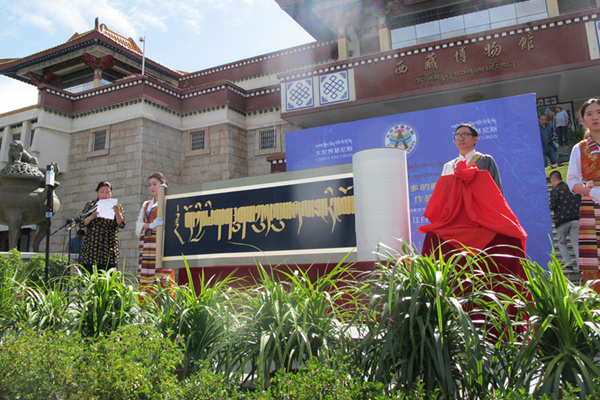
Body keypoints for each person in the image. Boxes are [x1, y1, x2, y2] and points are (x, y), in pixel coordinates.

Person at [567, 98, 600, 287]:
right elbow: (572, 181)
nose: (595, 117)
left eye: (599, 112)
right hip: (592, 204)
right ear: (583, 120)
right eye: (589, 114)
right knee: (593, 258)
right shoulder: (579, 148)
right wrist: (593, 192)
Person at [135, 172, 174, 295]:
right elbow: (138, 226)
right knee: (146, 274)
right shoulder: (146, 204)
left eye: (154, 184)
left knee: (161, 275)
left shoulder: (168, 201)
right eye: (150, 185)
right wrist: (150, 226)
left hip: (161, 244)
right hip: (147, 245)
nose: (152, 187)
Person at [79, 181, 126, 273]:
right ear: (97, 193)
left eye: (108, 192)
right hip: (92, 249)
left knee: (108, 275)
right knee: (91, 276)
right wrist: (91, 217)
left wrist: (117, 212)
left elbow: (122, 224)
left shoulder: (117, 206)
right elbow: (81, 223)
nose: (105, 194)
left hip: (109, 248)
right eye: (102, 192)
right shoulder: (91, 205)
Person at [442, 123, 503, 193]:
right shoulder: (448, 166)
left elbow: (496, 191)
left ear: (475, 139)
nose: (461, 138)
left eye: (465, 135)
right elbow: (444, 194)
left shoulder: (485, 160)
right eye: (457, 136)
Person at [549, 170, 581, 270]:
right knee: (576, 244)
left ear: (554, 180)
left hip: (561, 221)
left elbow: (553, 205)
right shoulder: (572, 188)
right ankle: (581, 267)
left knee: (562, 243)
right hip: (575, 219)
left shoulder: (555, 191)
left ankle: (568, 264)